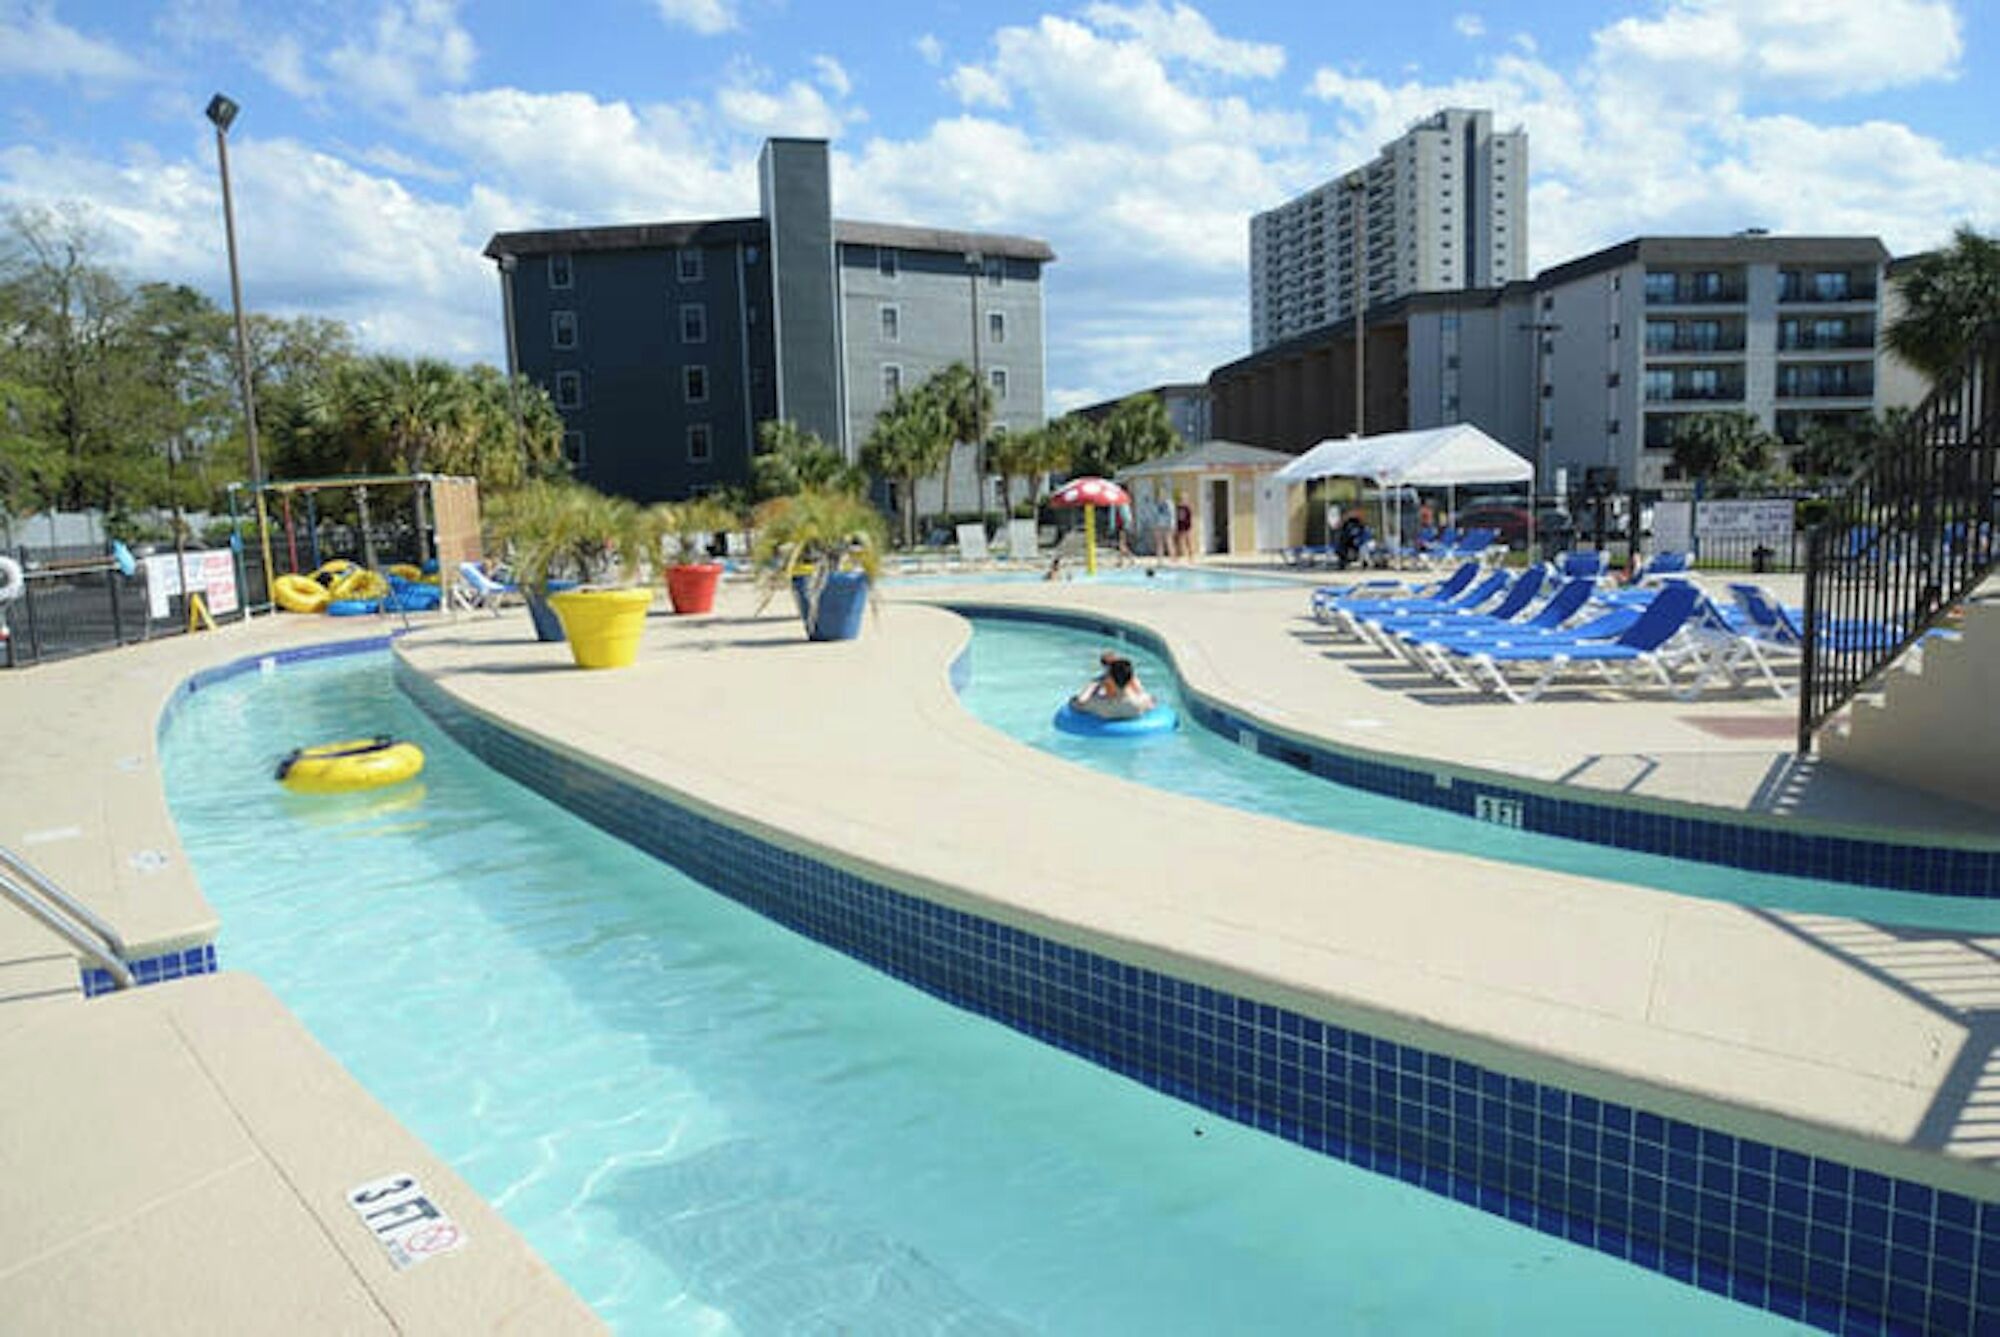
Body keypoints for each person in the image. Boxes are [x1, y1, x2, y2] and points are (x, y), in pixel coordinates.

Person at [1073, 651, 1155, 720]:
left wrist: (1093, 684)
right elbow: (1145, 695)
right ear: (1130, 680)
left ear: (1109, 681)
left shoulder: (1099, 704)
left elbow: (1077, 702)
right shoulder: (1143, 702)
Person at [1173, 493, 1194, 559]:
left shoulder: (1188, 507)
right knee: (1178, 541)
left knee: (1188, 541)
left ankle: (1191, 556)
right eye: (1182, 498)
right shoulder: (1178, 507)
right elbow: (1176, 517)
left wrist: (1190, 526)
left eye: (1184, 498)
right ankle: (1176, 556)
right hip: (1180, 526)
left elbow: (1190, 517)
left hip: (1187, 526)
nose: (1183, 500)